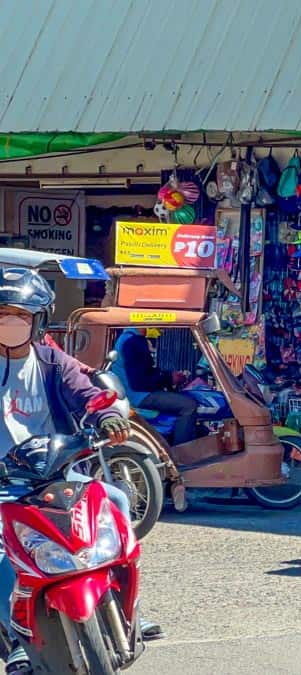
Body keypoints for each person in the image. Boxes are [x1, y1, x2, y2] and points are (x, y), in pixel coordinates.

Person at [0, 269, 162, 672]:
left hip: (54, 472)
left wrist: (107, 416)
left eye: (19, 314)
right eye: (2, 314)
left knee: (116, 501)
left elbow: (90, 392)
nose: (10, 323)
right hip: (3, 484)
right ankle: (15, 637)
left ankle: (126, 607)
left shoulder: (53, 361)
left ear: (38, 320)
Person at [111, 328, 198, 443]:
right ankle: (182, 452)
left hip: (135, 392)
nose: (161, 330)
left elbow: (145, 371)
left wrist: (168, 376)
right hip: (138, 395)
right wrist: (169, 378)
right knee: (189, 405)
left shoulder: (128, 338)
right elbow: (139, 382)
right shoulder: (132, 341)